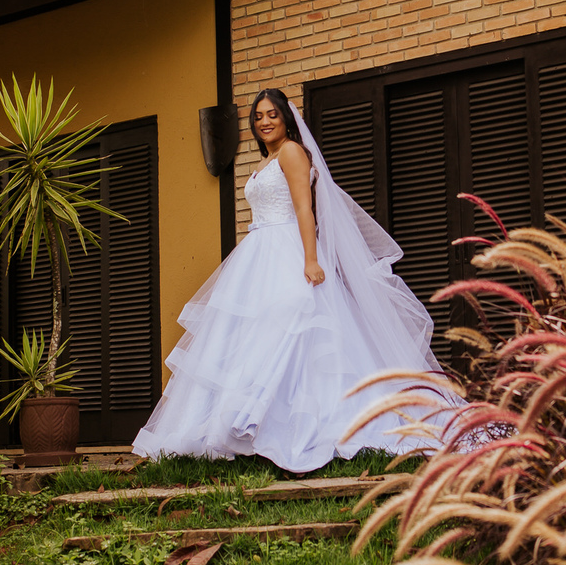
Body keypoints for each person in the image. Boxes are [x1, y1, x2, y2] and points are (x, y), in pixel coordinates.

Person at [132, 88, 452, 474]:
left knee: (296, 334)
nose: (264, 122)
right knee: (251, 339)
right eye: (258, 116)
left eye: (272, 115)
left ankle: (301, 425)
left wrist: (311, 260)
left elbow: (304, 206)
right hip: (259, 253)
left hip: (288, 250)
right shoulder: (268, 158)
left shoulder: (291, 152)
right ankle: (240, 428)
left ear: (286, 118)